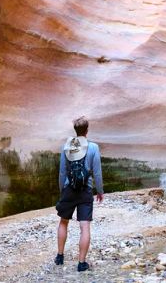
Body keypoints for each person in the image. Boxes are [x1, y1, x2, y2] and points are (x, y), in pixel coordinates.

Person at [54, 116, 104, 272]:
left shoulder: (67, 147)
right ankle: (81, 263)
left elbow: (62, 172)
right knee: (85, 226)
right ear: (87, 130)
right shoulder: (94, 147)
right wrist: (100, 191)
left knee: (63, 222)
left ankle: (60, 256)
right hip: (85, 190)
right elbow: (97, 172)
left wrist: (63, 190)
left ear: (75, 130)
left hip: (69, 190)